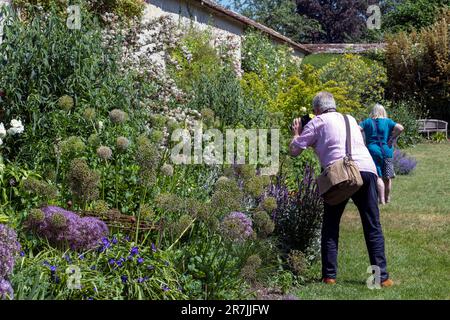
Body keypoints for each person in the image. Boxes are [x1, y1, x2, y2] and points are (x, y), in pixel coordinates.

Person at [289, 91, 393, 287]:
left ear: (316, 110)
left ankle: (329, 276)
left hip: (340, 175)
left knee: (331, 225)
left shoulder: (317, 122)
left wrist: (297, 134)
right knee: (372, 225)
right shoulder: (351, 119)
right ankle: (382, 278)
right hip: (366, 170)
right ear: (334, 105)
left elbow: (294, 151)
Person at [359, 104, 404, 204]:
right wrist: (392, 138)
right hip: (387, 150)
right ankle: (387, 199)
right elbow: (400, 128)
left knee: (378, 176)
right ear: (383, 111)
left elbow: (357, 129)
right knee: (387, 177)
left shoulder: (367, 122)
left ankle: (381, 200)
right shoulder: (388, 122)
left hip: (373, 151)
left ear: (373, 111)